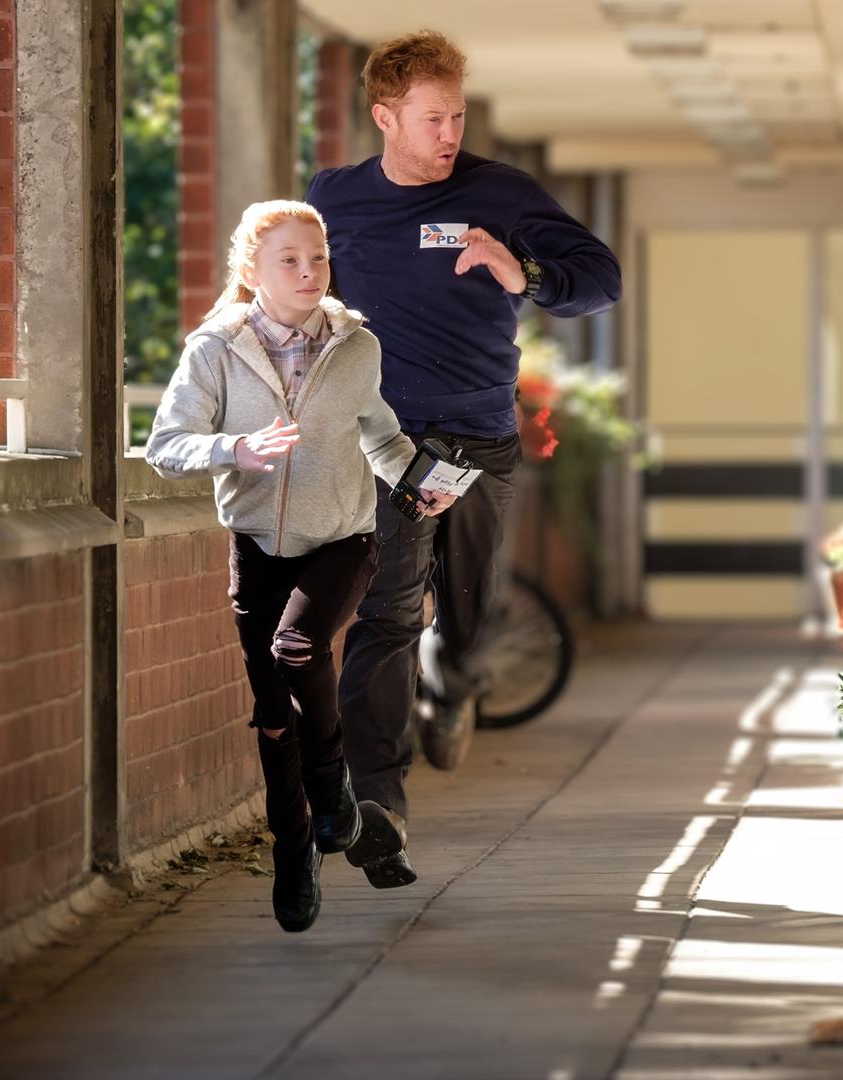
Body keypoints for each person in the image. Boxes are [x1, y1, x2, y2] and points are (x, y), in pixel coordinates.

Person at [307, 30, 622, 890]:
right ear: (385, 116)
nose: (449, 132)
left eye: (458, 116)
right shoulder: (334, 199)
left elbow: (600, 278)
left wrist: (520, 272)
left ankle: (457, 679)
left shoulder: (499, 192)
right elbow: (288, 290)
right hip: (387, 446)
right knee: (387, 614)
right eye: (433, 117)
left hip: (479, 442)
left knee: (469, 617)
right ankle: (380, 804)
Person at [144, 200, 453, 932]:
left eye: (317, 258)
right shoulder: (214, 350)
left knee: (299, 648)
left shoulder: (356, 347)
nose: (310, 272)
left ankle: (334, 800)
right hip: (255, 545)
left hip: (343, 537)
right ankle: (299, 849)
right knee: (272, 715)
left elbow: (380, 436)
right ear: (251, 271)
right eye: (290, 260)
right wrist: (233, 450)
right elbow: (166, 444)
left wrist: (420, 482)